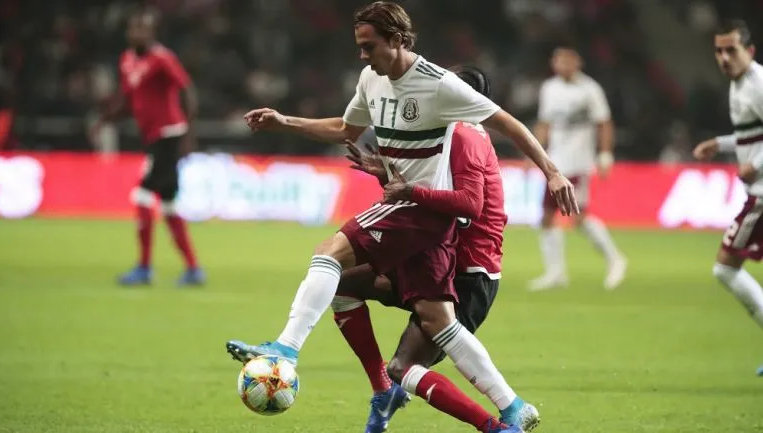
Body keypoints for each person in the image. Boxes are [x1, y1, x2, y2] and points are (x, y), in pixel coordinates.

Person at [228, 3, 577, 432]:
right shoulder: (371, 79)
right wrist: (286, 122)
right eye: (358, 46)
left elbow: (507, 125)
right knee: (435, 323)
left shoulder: (444, 93)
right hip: (430, 228)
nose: (361, 55)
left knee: (330, 254)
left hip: (428, 221)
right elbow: (345, 128)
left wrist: (553, 171)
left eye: (368, 46)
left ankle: (286, 348)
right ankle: (508, 411)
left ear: (397, 39)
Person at [331, 66, 540, 433]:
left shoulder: (463, 135)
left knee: (404, 367)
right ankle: (384, 391)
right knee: (342, 283)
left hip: (467, 273)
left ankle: (501, 420)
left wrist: (407, 191)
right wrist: (387, 176)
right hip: (436, 260)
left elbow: (467, 205)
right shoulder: (453, 134)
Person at [90, 8, 204, 287]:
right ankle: (193, 269)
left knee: (142, 196)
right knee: (168, 205)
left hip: (169, 135)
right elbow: (128, 101)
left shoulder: (162, 58)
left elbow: (188, 90)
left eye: (144, 29)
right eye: (134, 28)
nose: (138, 33)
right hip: (153, 137)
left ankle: (144, 268)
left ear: (152, 33)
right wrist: (104, 121)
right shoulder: (127, 60)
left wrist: (188, 134)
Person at [692, 19, 763, 376]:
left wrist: (757, 165)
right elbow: (754, 135)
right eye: (718, 51)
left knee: (725, 267)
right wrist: (720, 144)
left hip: (762, 195)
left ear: (748, 51)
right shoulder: (739, 86)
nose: (724, 57)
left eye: (730, 50)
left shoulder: (758, 84)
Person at [528, 45, 627, 291]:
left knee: (579, 218)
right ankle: (556, 273)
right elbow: (545, 123)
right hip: (555, 162)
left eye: (567, 61)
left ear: (577, 63)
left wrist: (605, 154)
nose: (562, 65)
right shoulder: (549, 89)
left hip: (579, 162)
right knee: (548, 216)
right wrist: (535, 151)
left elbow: (604, 123)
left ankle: (615, 259)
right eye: (558, 60)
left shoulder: (590, 90)